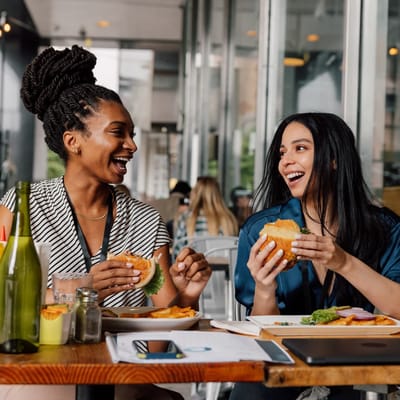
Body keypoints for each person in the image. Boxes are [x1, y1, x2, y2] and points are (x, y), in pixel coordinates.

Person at [0, 45, 211, 400]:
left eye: (132, 134)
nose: (132, 145)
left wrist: (188, 294)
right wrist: (77, 292)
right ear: (73, 142)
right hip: (43, 373)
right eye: (118, 132)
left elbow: (162, 340)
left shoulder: (145, 221)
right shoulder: (20, 208)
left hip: (122, 374)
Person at [229, 112, 400, 400]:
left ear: (334, 159)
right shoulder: (259, 231)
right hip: (275, 373)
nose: (285, 161)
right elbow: (262, 337)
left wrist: (344, 262)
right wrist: (265, 288)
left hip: (351, 374)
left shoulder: (384, 229)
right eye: (282, 152)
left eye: (301, 148)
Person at [173, 176, 238, 257]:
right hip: (224, 269)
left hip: (193, 268)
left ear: (195, 194)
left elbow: (177, 253)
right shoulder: (229, 220)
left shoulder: (186, 218)